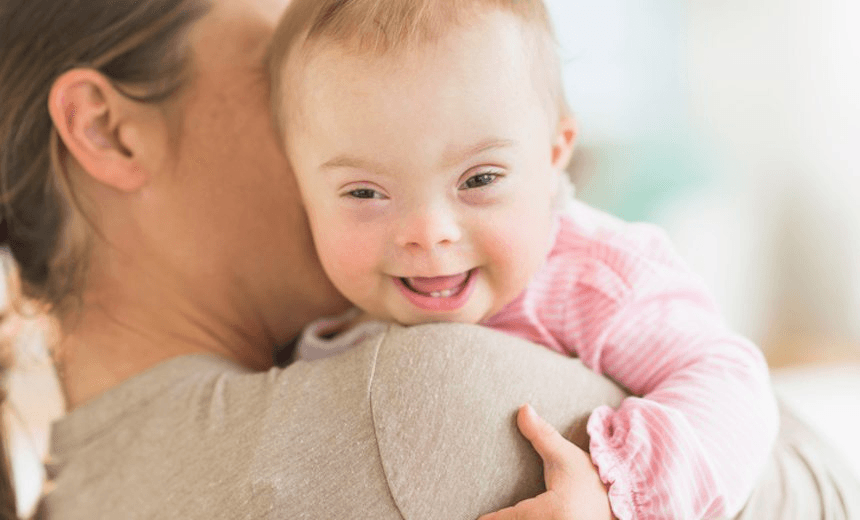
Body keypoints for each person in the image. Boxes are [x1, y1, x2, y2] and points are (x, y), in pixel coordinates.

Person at [1, 0, 859, 519]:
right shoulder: (408, 404)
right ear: (109, 131)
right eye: (276, 72)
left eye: (477, 176)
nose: (370, 114)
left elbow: (720, 379)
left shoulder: (76, 490)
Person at [268, 1, 778, 518]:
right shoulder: (316, 308)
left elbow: (727, 381)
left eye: (479, 179)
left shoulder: (592, 282)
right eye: (364, 192)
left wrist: (617, 497)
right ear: (300, 187)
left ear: (554, 157)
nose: (428, 233)